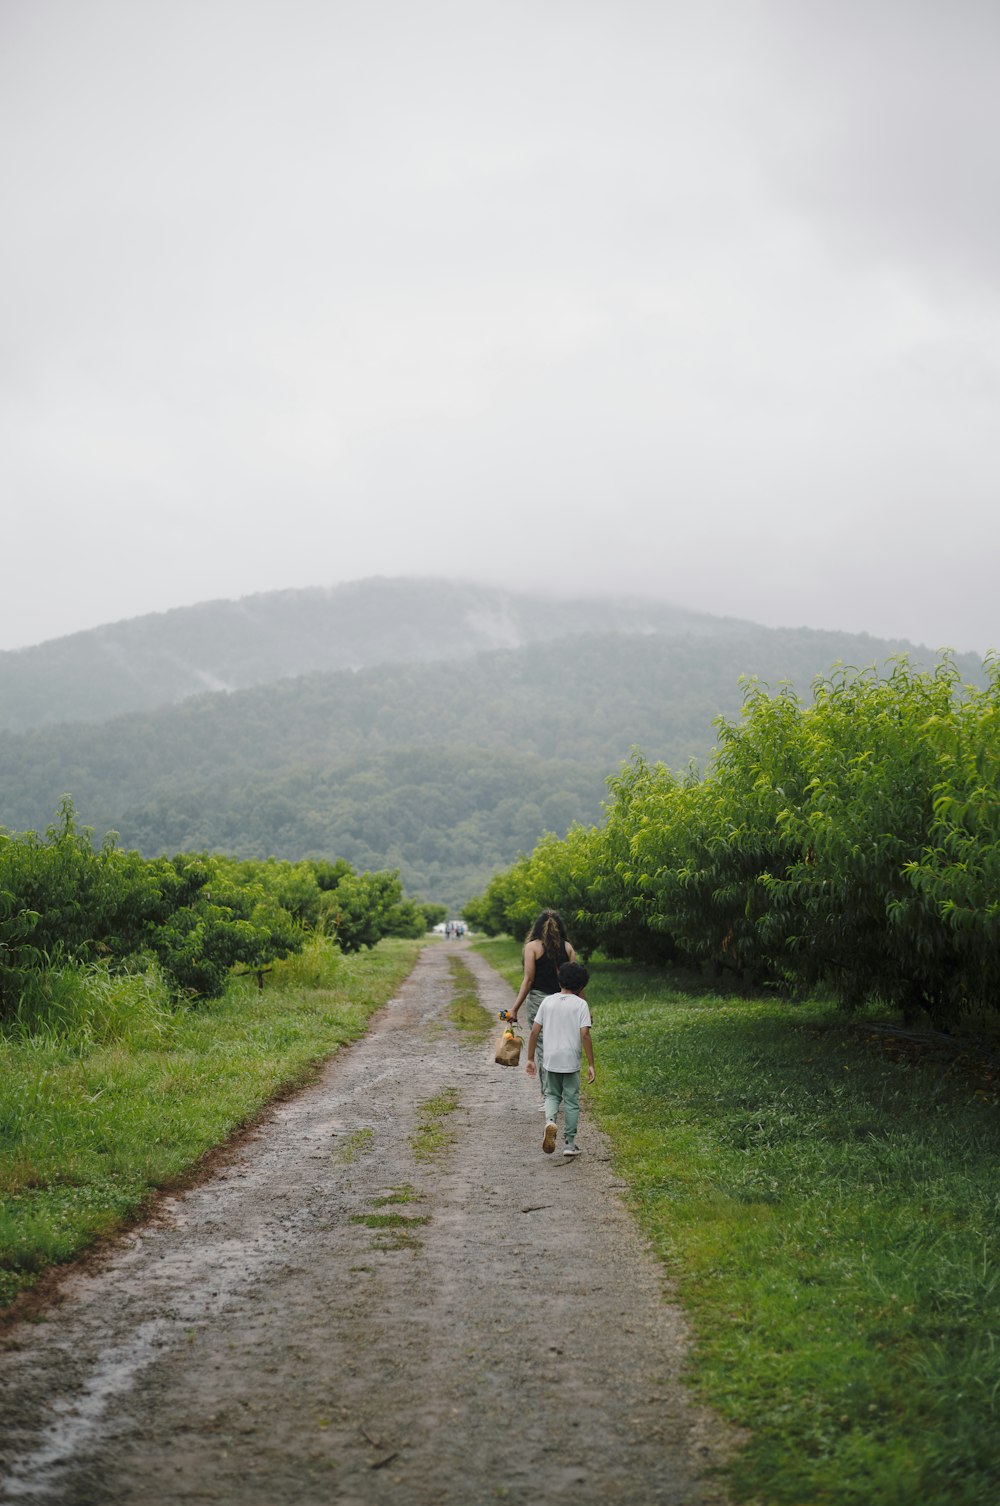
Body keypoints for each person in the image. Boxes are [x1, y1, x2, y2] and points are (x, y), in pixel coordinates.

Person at [525, 961, 595, 1157]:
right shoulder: (581, 1005)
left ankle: (550, 1122)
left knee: (552, 1095)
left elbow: (534, 1031)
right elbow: (585, 1035)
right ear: (581, 986)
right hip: (570, 1060)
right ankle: (570, 1144)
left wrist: (530, 1058)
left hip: (550, 1059)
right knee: (571, 1101)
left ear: (559, 980)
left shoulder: (547, 1001)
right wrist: (591, 1064)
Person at [508, 909, 577, 1103]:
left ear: (537, 927)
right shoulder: (568, 948)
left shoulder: (532, 947)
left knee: (542, 1046)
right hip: (566, 1001)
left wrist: (514, 1009)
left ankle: (550, 1096)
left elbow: (529, 980)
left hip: (540, 1000)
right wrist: (584, 1007)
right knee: (563, 1045)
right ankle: (561, 1092)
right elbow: (576, 980)